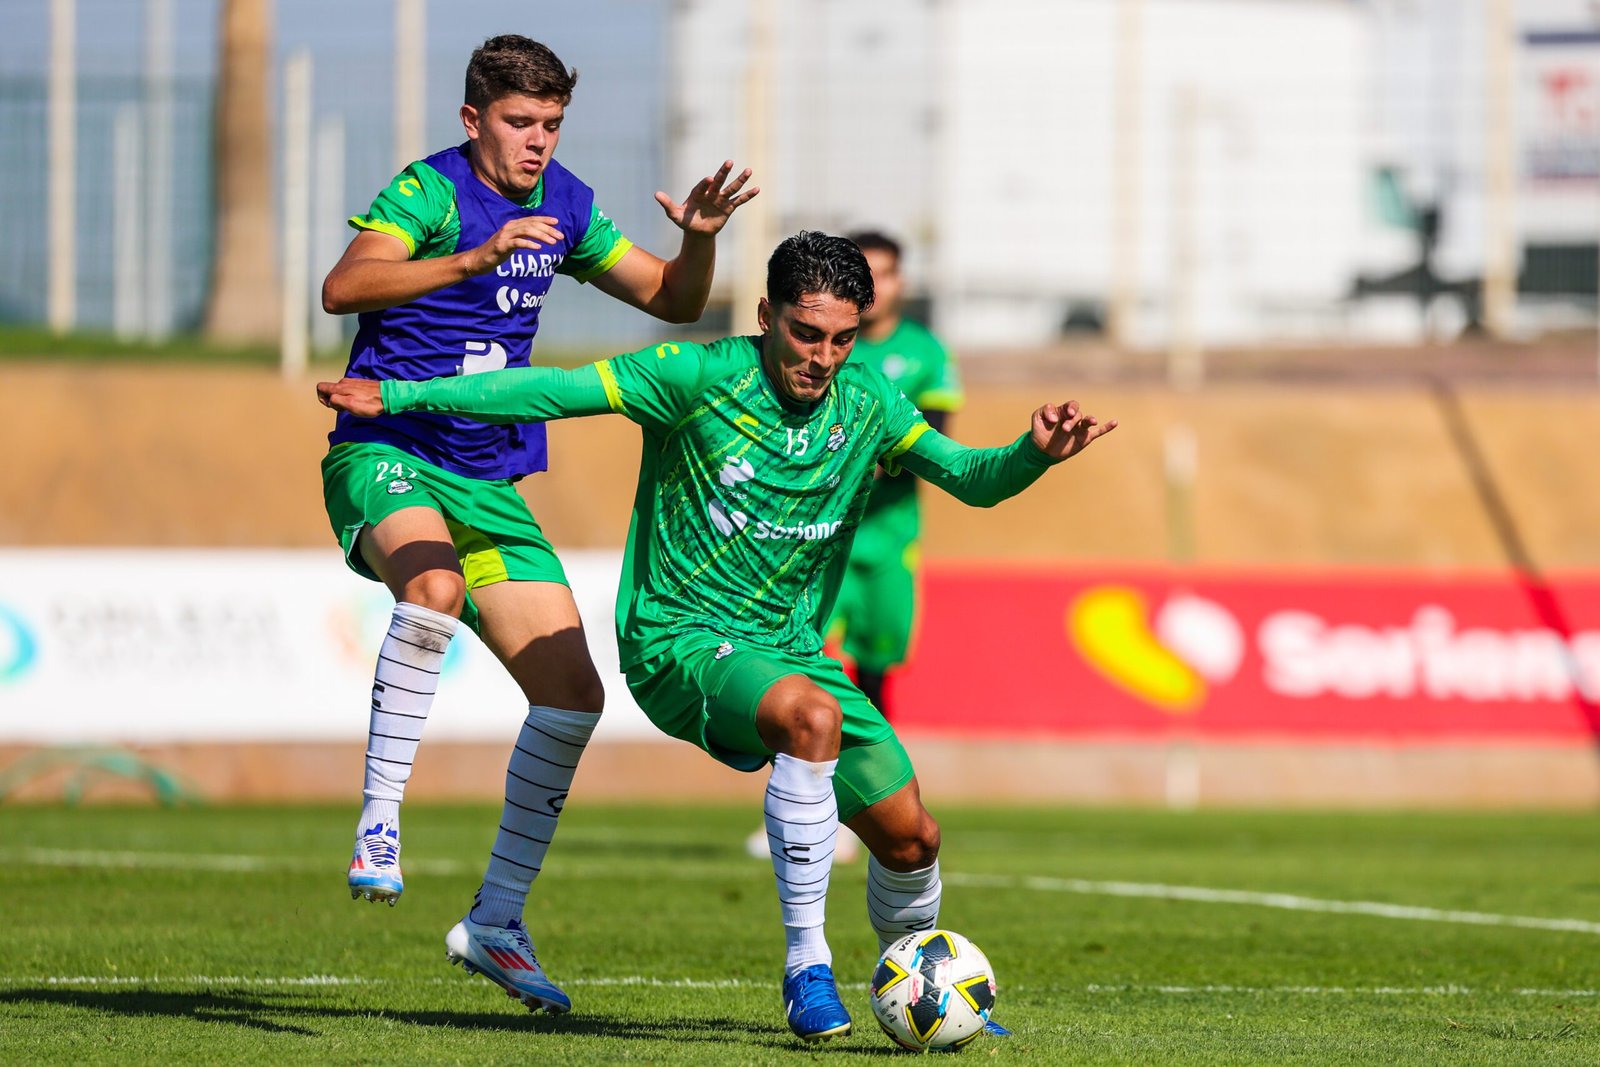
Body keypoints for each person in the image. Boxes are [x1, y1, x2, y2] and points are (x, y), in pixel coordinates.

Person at [317, 231, 1116, 1040]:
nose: (822, 357)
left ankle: (923, 982)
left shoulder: (869, 399)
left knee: (913, 838)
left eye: (841, 338)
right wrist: (402, 398)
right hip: (682, 638)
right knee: (810, 719)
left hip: (792, 649)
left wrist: (1032, 454)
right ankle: (807, 968)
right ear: (766, 315)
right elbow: (548, 389)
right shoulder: (693, 375)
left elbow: (970, 478)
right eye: (806, 334)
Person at [319, 33, 755, 1011]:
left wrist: (700, 236)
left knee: (571, 695)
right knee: (430, 585)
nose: (537, 142)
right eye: (519, 122)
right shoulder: (428, 194)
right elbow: (344, 286)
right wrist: (470, 256)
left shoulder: (566, 205)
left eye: (552, 124)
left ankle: (496, 919)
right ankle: (379, 822)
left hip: (489, 480)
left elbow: (675, 300)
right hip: (388, 447)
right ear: (473, 119)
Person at [742, 230, 959, 863]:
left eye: (889, 275)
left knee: (874, 677)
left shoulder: (924, 354)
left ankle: (858, 811)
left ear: (899, 285)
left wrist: (856, 452)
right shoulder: (806, 359)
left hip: (891, 544)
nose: (881, 286)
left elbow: (935, 438)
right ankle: (797, 812)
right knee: (795, 676)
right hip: (814, 545)